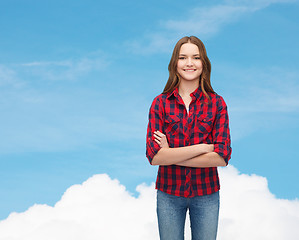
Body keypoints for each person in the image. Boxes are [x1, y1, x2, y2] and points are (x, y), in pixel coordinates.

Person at [145, 36, 232, 240]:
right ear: (175, 63)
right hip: (168, 194)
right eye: (183, 57)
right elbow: (154, 157)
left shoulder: (217, 103)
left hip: (207, 194)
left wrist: (170, 155)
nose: (190, 63)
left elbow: (222, 157)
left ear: (204, 64)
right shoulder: (160, 103)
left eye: (196, 57)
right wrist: (203, 147)